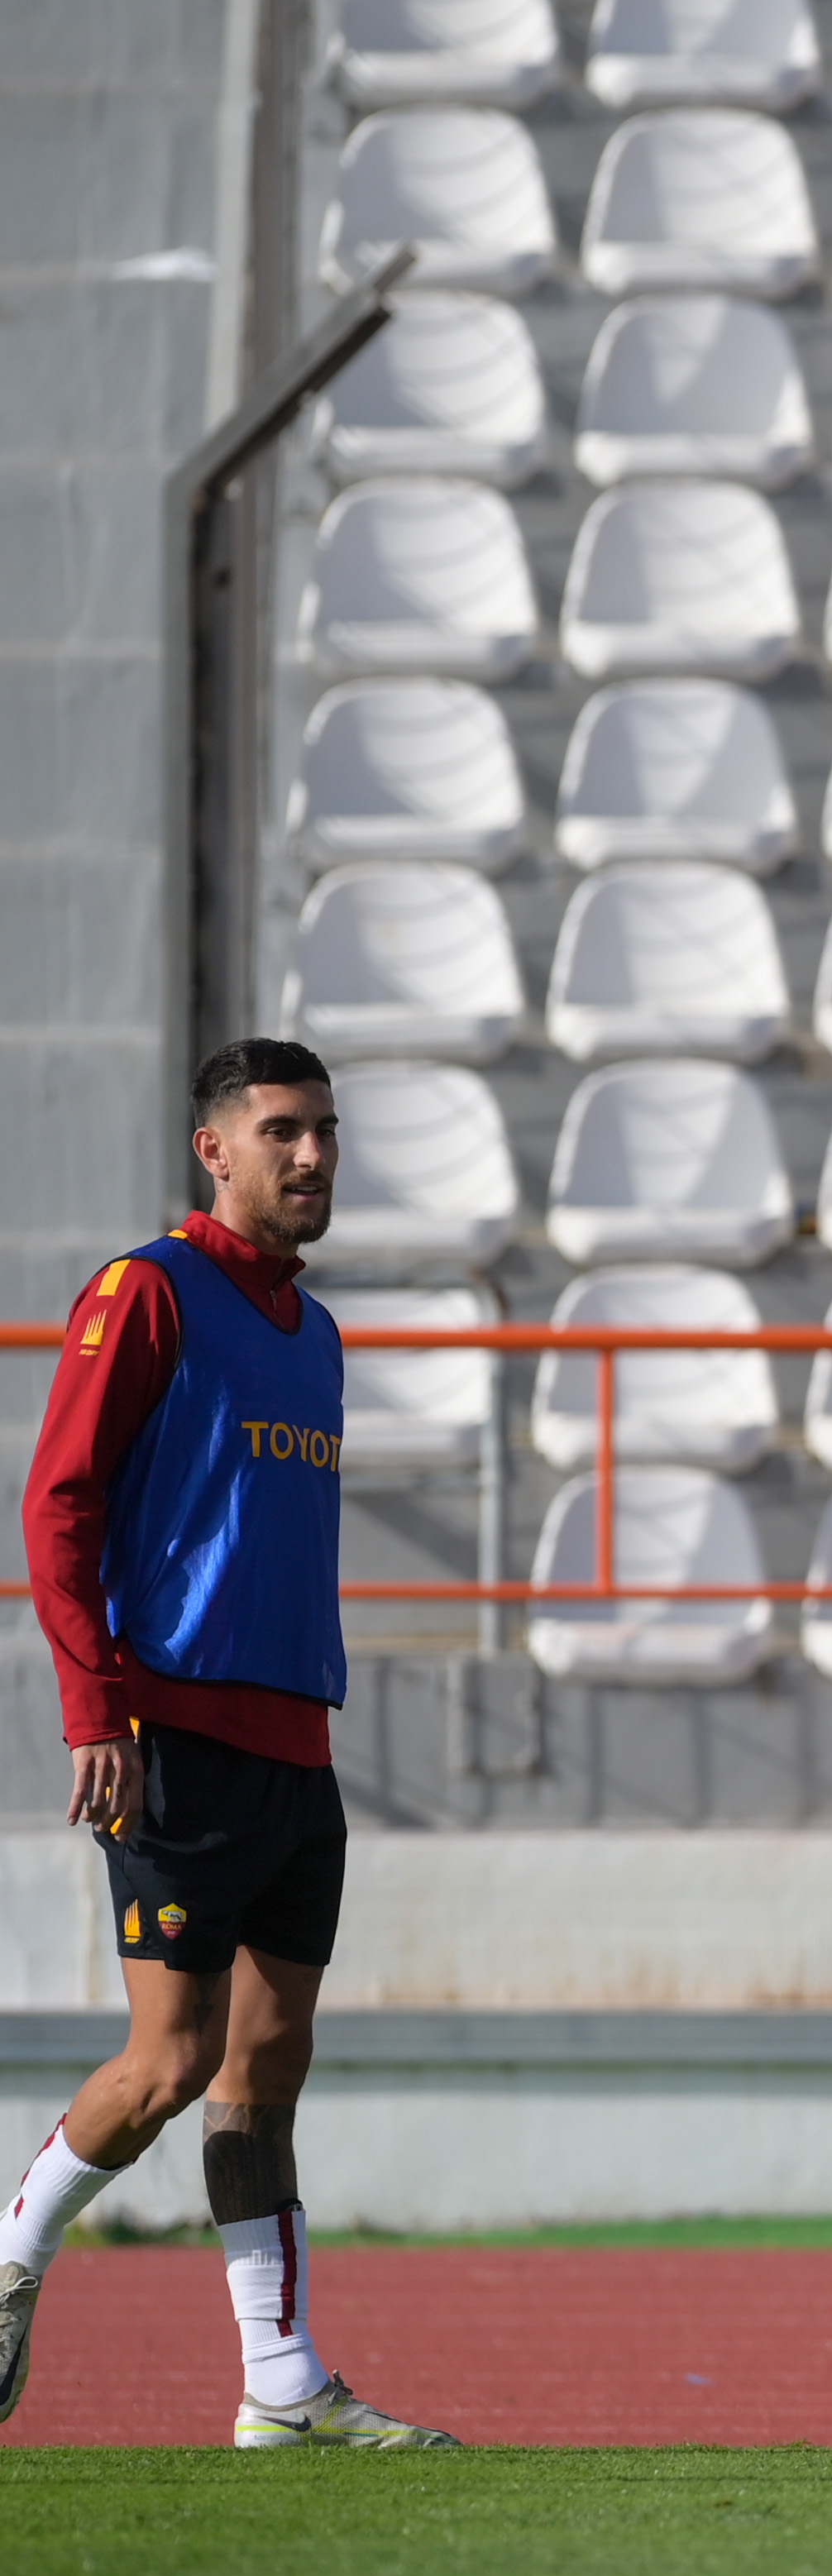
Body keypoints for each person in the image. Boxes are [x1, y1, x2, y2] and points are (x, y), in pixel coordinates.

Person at [1, 1040, 451, 2446]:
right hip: (171, 1733)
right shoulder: (149, 1294)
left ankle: (282, 2384)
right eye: (282, 1133)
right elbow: (57, 1509)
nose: (313, 1157)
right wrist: (97, 1713)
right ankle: (13, 2253)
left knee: (268, 2067)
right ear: (215, 1150)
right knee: (170, 2062)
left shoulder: (315, 1334)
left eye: (326, 1131)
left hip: (294, 1745)